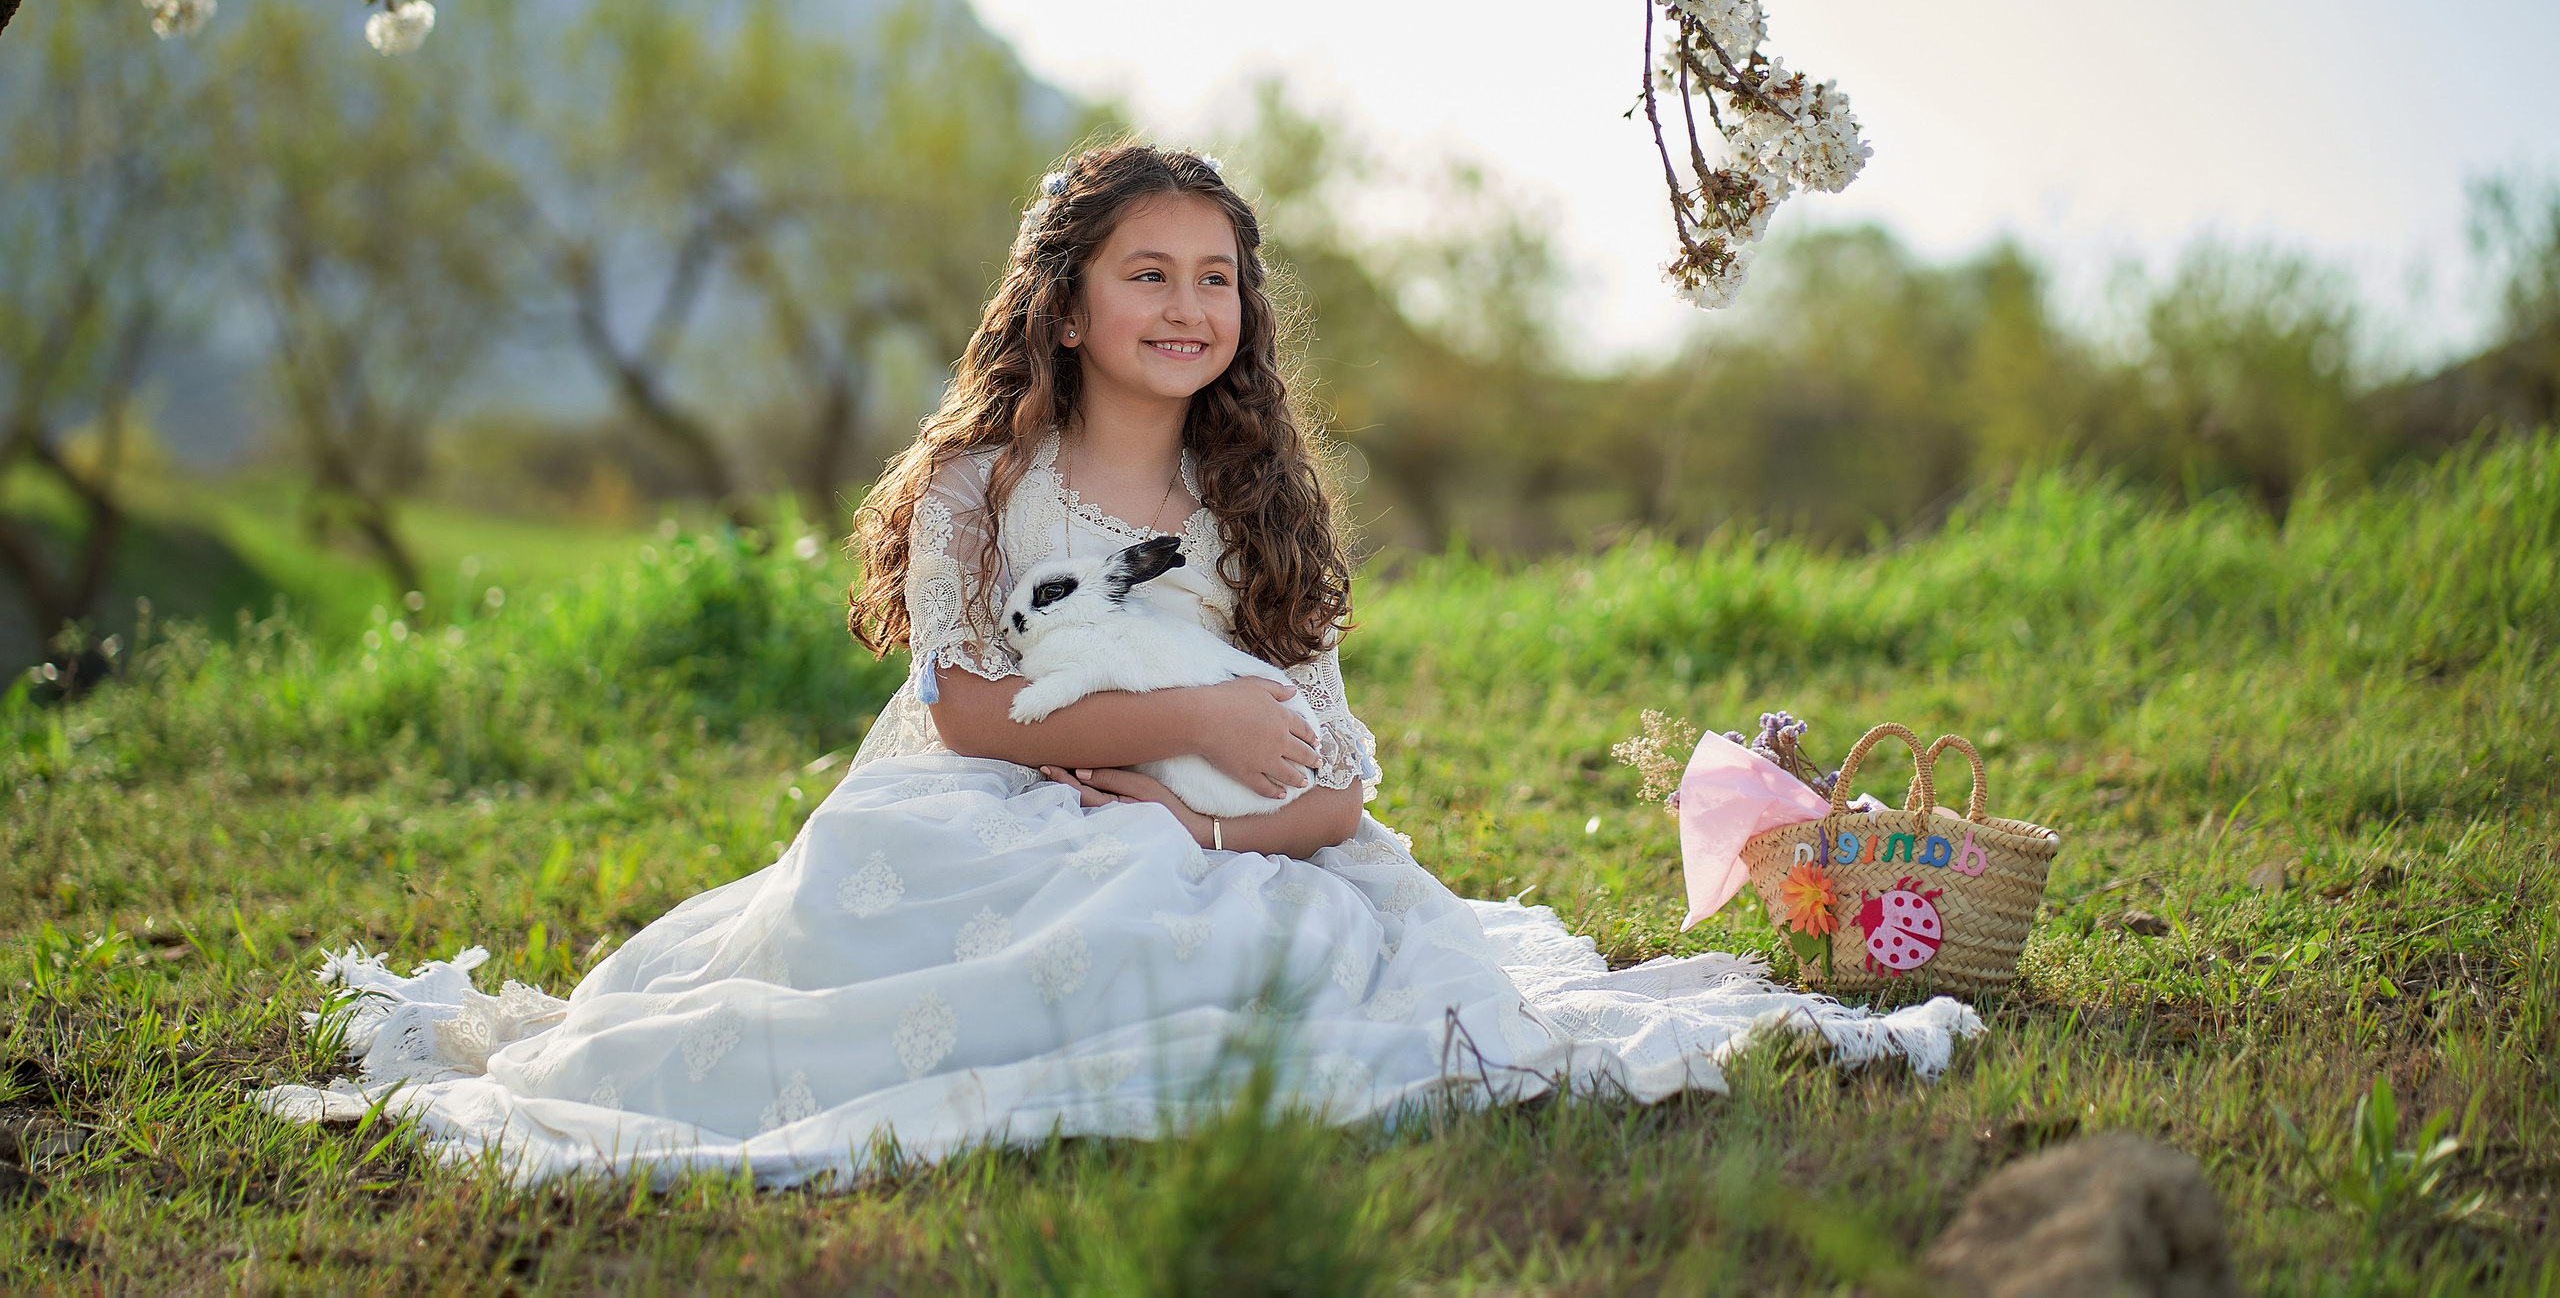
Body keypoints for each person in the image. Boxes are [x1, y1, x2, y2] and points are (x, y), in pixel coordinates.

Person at [263, 144, 1979, 1186]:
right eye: (1144, 273)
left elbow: (1330, 769)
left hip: (1210, 821)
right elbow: (962, 710)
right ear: (1065, 302)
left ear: (1247, 314)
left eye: (1215, 279)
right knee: (959, 886)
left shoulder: (1249, 503)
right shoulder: (977, 488)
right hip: (987, 800)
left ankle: (1187, 917)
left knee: (1233, 916)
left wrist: (1212, 817)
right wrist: (1174, 720)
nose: (1185, 304)